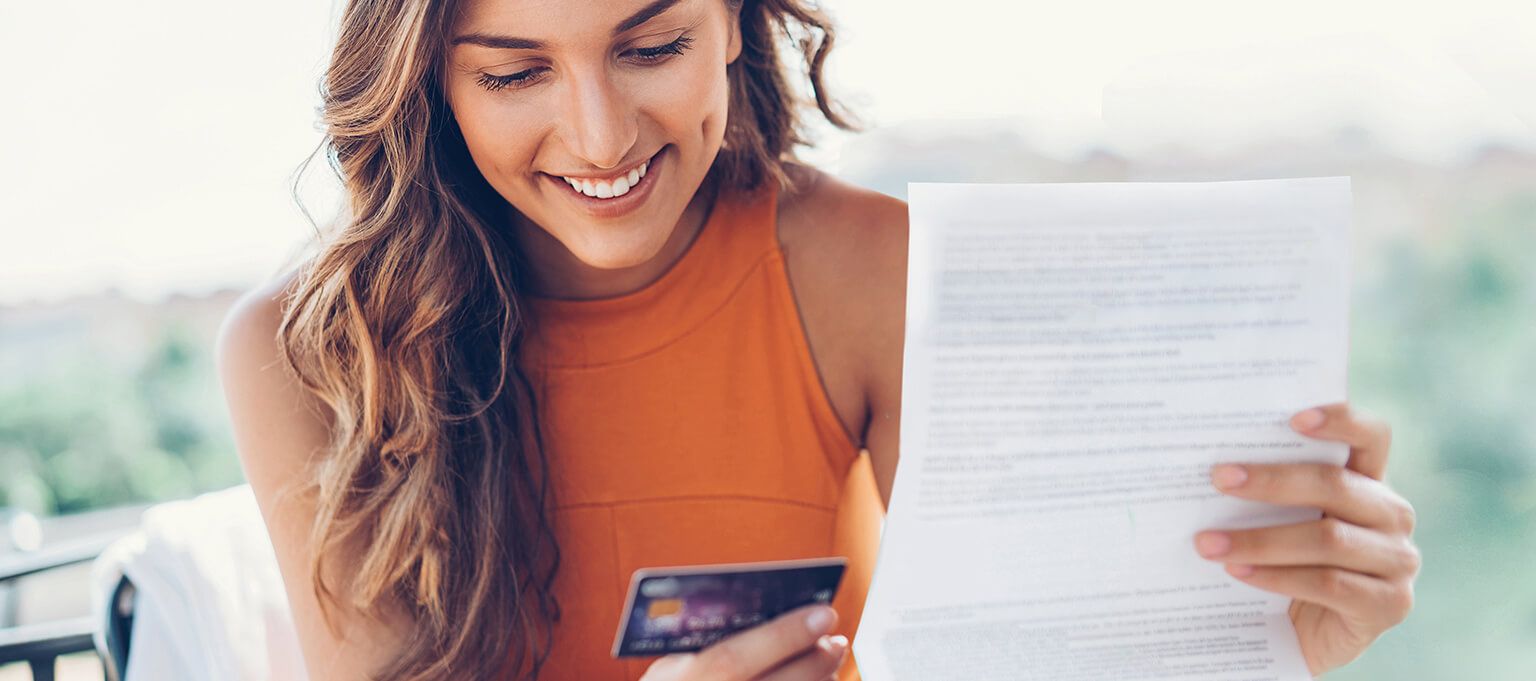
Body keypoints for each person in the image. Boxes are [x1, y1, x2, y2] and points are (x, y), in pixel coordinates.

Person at [214, 0, 1421, 679]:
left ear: (733, 26)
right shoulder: (309, 354)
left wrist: (1271, 643)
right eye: (517, 72)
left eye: (651, 47)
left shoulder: (860, 267)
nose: (597, 135)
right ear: (432, 83)